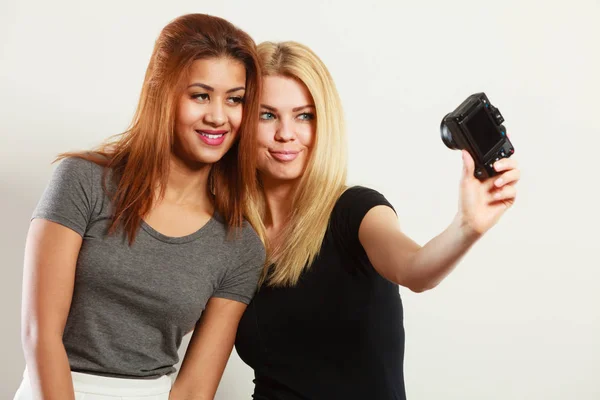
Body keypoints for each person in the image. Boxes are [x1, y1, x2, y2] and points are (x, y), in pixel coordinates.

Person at [235, 41, 521, 400]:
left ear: (325, 123)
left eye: (304, 115)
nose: (286, 133)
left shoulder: (356, 211)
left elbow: (415, 269)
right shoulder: (232, 234)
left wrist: (466, 227)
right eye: (267, 115)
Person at [14, 13, 265, 400]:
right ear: (162, 93)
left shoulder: (239, 244)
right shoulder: (82, 181)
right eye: (201, 95)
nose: (218, 116)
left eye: (234, 99)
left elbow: (196, 389)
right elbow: (40, 334)